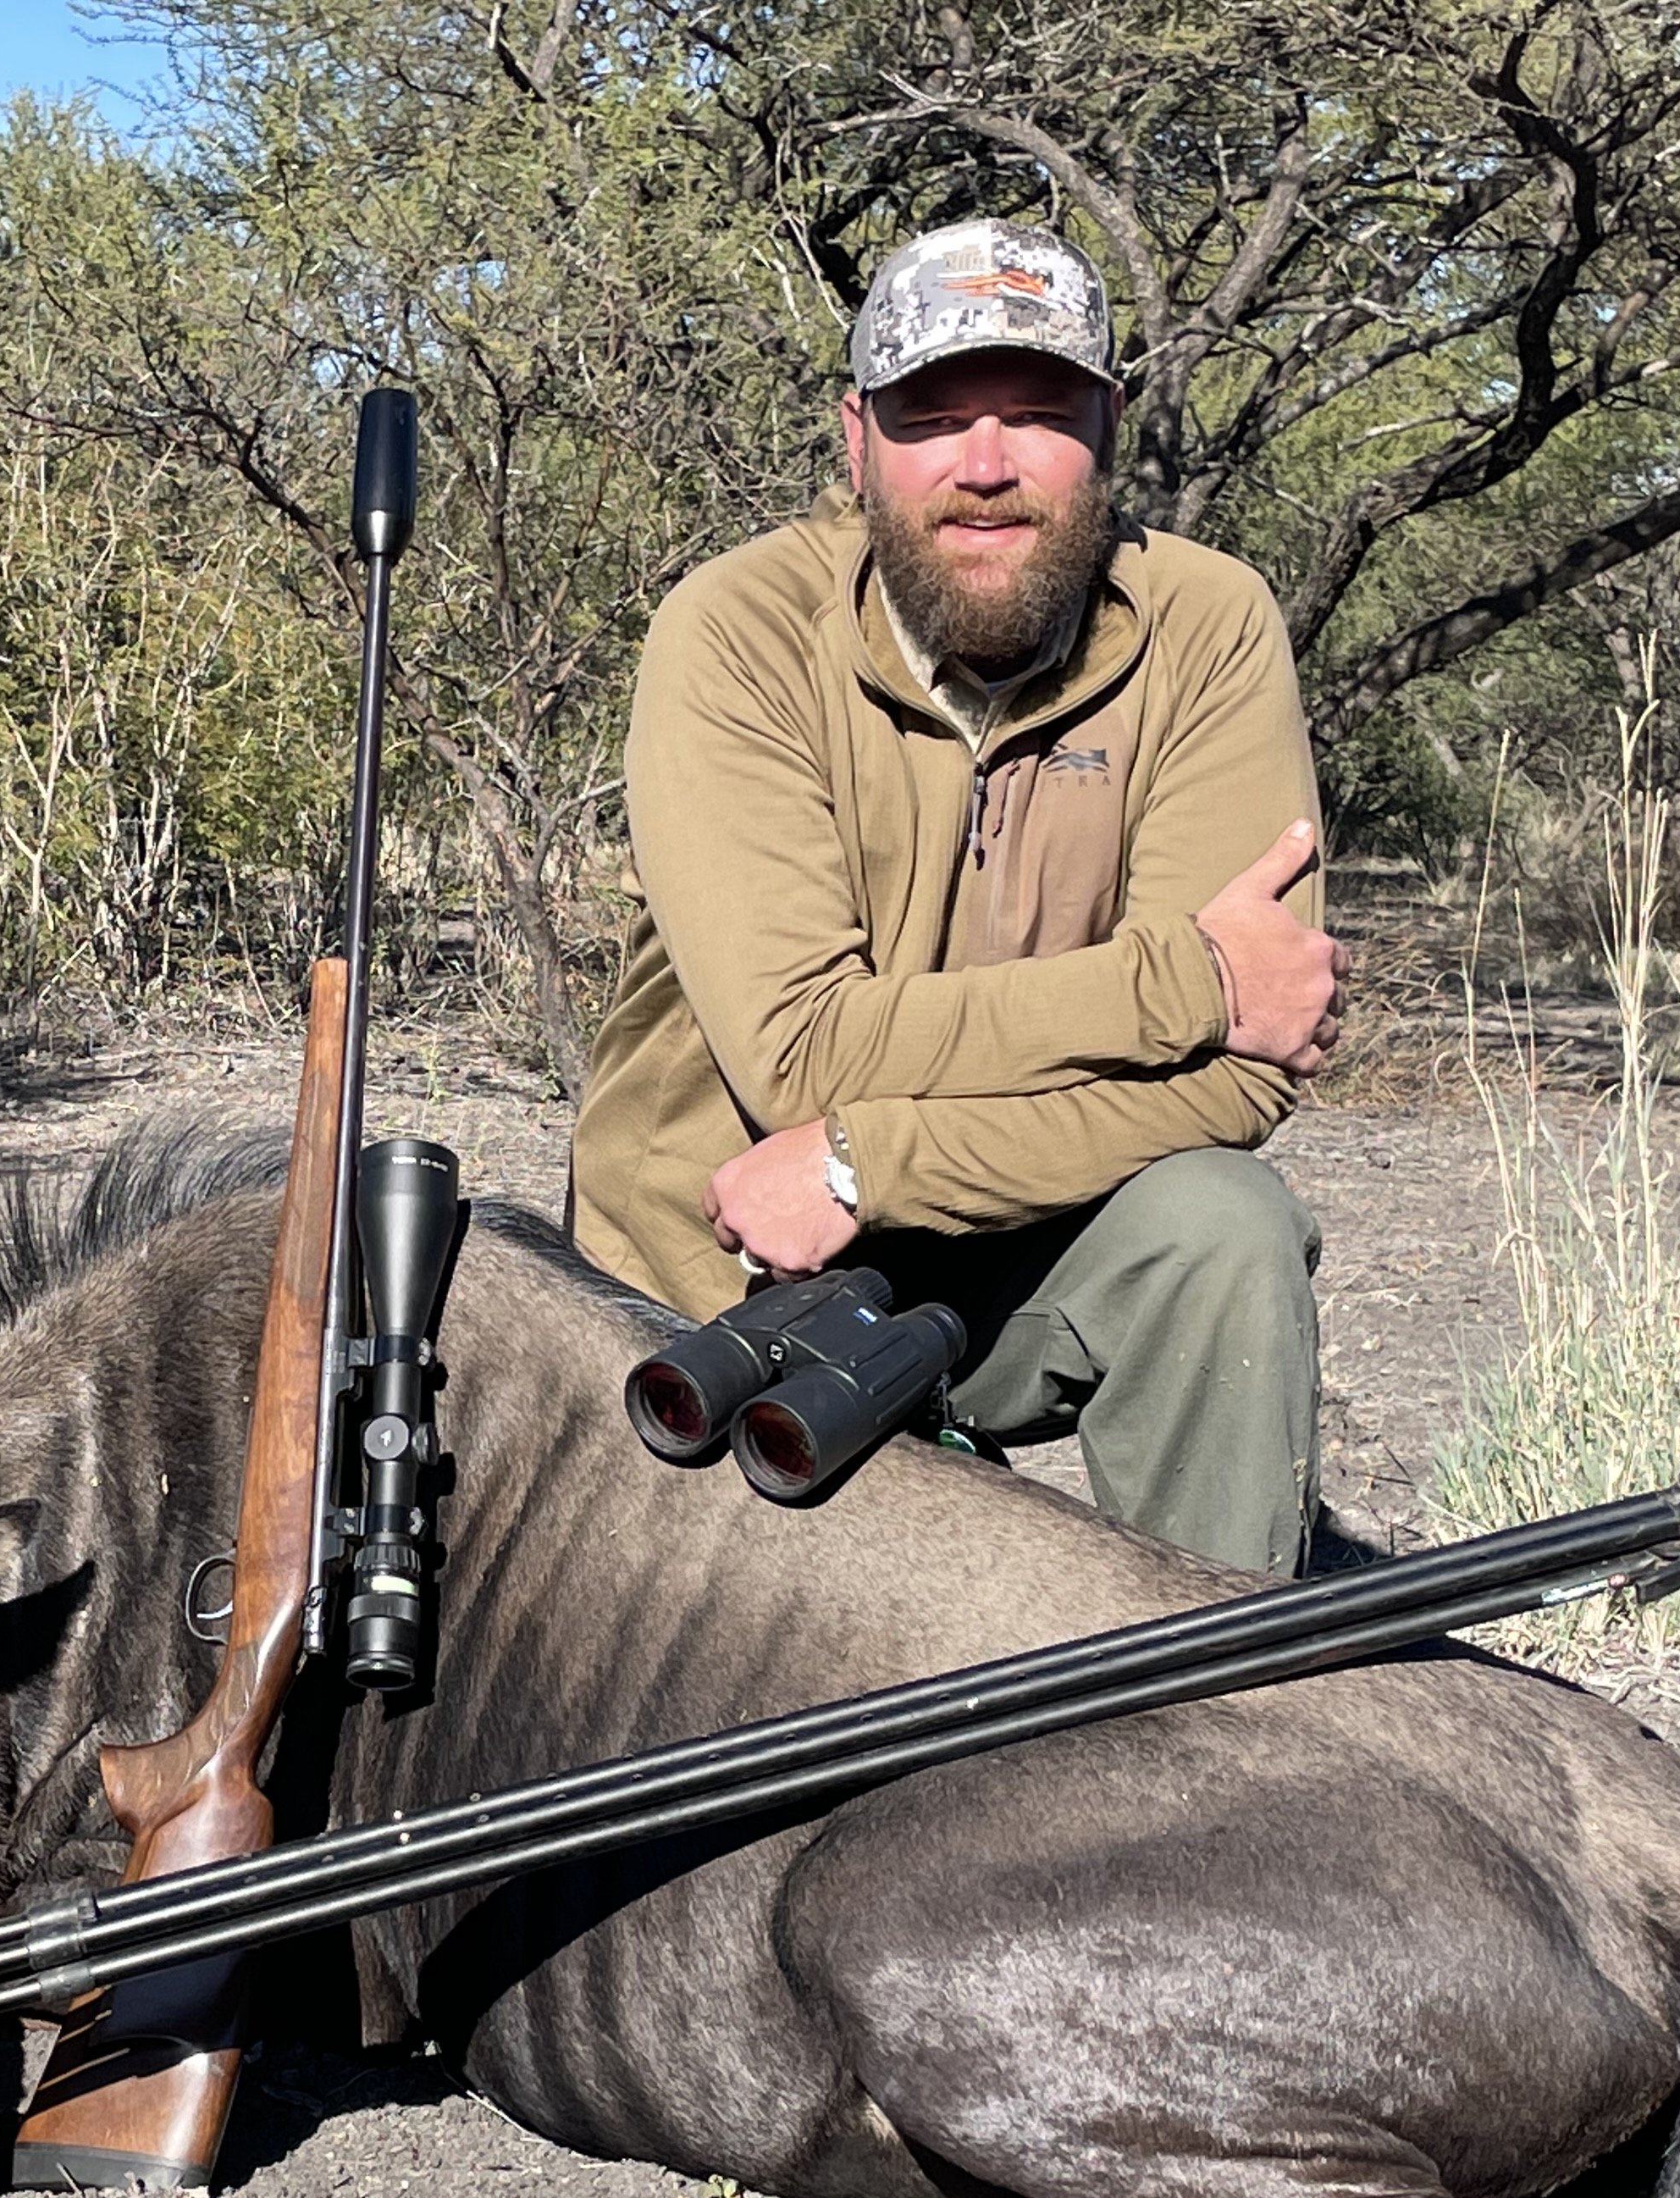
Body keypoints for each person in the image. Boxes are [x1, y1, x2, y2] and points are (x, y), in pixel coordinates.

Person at [568, 217, 1342, 1575]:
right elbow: (800, 1051)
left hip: (990, 1254)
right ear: (856, 437)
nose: (986, 467)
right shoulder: (738, 629)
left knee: (1224, 1227)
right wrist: (1191, 979)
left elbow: (1241, 1084)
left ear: (1108, 422)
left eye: (1039, 414)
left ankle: (1213, 1691)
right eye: (934, 417)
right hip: (734, 1266)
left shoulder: (1211, 622)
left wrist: (874, 1162)